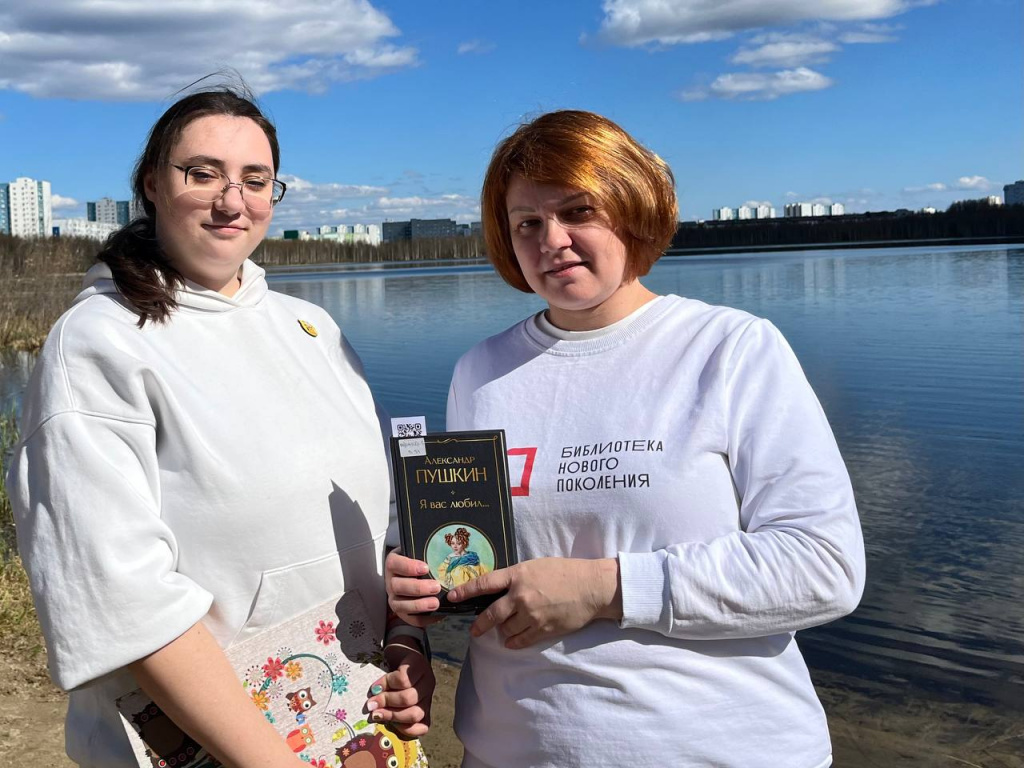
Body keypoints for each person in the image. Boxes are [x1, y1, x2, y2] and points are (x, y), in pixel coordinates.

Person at [386, 110, 865, 768]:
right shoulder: (483, 371)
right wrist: (423, 584)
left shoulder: (730, 349)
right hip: (510, 748)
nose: (552, 239)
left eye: (578, 210)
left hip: (714, 748)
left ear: (631, 208)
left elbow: (824, 569)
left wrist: (606, 587)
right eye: (527, 221)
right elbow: (477, 553)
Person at [8, 85, 432, 768]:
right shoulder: (100, 343)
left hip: (353, 725)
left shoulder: (313, 329)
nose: (231, 200)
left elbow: (384, 521)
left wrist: (409, 640)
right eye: (201, 173)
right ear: (151, 184)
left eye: (254, 179)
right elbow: (122, 597)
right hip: (225, 748)